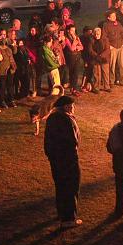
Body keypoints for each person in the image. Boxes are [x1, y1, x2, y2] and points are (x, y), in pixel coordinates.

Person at [44, 96, 83, 228]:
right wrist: (73, 155)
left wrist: (51, 156)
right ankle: (69, 219)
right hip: (68, 160)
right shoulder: (66, 120)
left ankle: (61, 213)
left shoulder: (51, 118)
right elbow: (72, 141)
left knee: (60, 187)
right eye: (72, 106)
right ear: (66, 106)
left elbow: (48, 142)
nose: (73, 108)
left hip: (56, 160)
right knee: (71, 187)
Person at [102, 10, 123, 86]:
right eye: (112, 16)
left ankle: (122, 80)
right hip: (112, 47)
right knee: (112, 65)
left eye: (115, 16)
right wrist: (109, 45)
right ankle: (111, 81)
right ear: (108, 17)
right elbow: (104, 37)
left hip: (120, 46)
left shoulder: (118, 24)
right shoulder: (106, 25)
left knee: (121, 65)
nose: (114, 17)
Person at [0, 28, 18, 108]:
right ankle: (2, 100)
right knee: (2, 86)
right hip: (2, 68)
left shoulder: (7, 44)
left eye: (4, 34)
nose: (3, 36)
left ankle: (11, 100)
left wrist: (14, 46)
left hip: (10, 68)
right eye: (1, 34)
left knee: (10, 85)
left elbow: (14, 52)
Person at [89, 27, 111, 93]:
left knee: (106, 73)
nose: (96, 36)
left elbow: (107, 49)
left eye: (98, 34)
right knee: (97, 74)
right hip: (96, 59)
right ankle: (96, 87)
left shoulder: (105, 39)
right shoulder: (91, 40)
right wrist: (96, 56)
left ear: (101, 33)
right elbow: (90, 50)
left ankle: (106, 86)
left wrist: (101, 56)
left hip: (104, 58)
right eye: (95, 34)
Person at [63, 24, 84, 95]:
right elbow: (71, 48)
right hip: (70, 58)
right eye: (72, 30)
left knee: (76, 73)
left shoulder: (77, 37)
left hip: (77, 57)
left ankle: (74, 88)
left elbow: (81, 47)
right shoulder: (66, 39)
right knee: (72, 73)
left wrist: (77, 47)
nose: (73, 32)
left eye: (74, 30)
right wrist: (75, 42)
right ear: (68, 31)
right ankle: (72, 88)